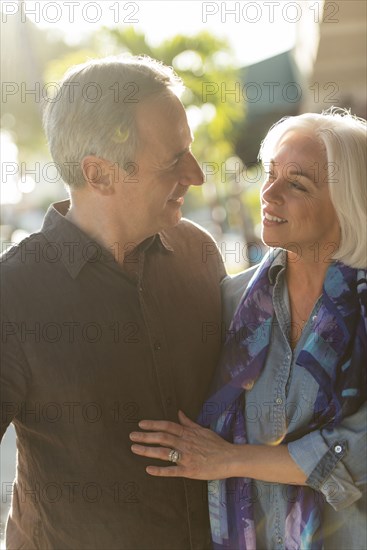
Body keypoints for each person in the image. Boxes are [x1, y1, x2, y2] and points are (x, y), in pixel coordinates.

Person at [0, 56, 226, 549]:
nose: (195, 175)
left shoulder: (199, 254)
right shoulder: (12, 295)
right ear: (98, 174)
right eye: (172, 161)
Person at [130, 109, 367, 549]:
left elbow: (358, 449)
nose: (269, 193)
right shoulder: (230, 302)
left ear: (348, 203)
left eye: (297, 184)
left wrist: (230, 460)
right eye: (270, 174)